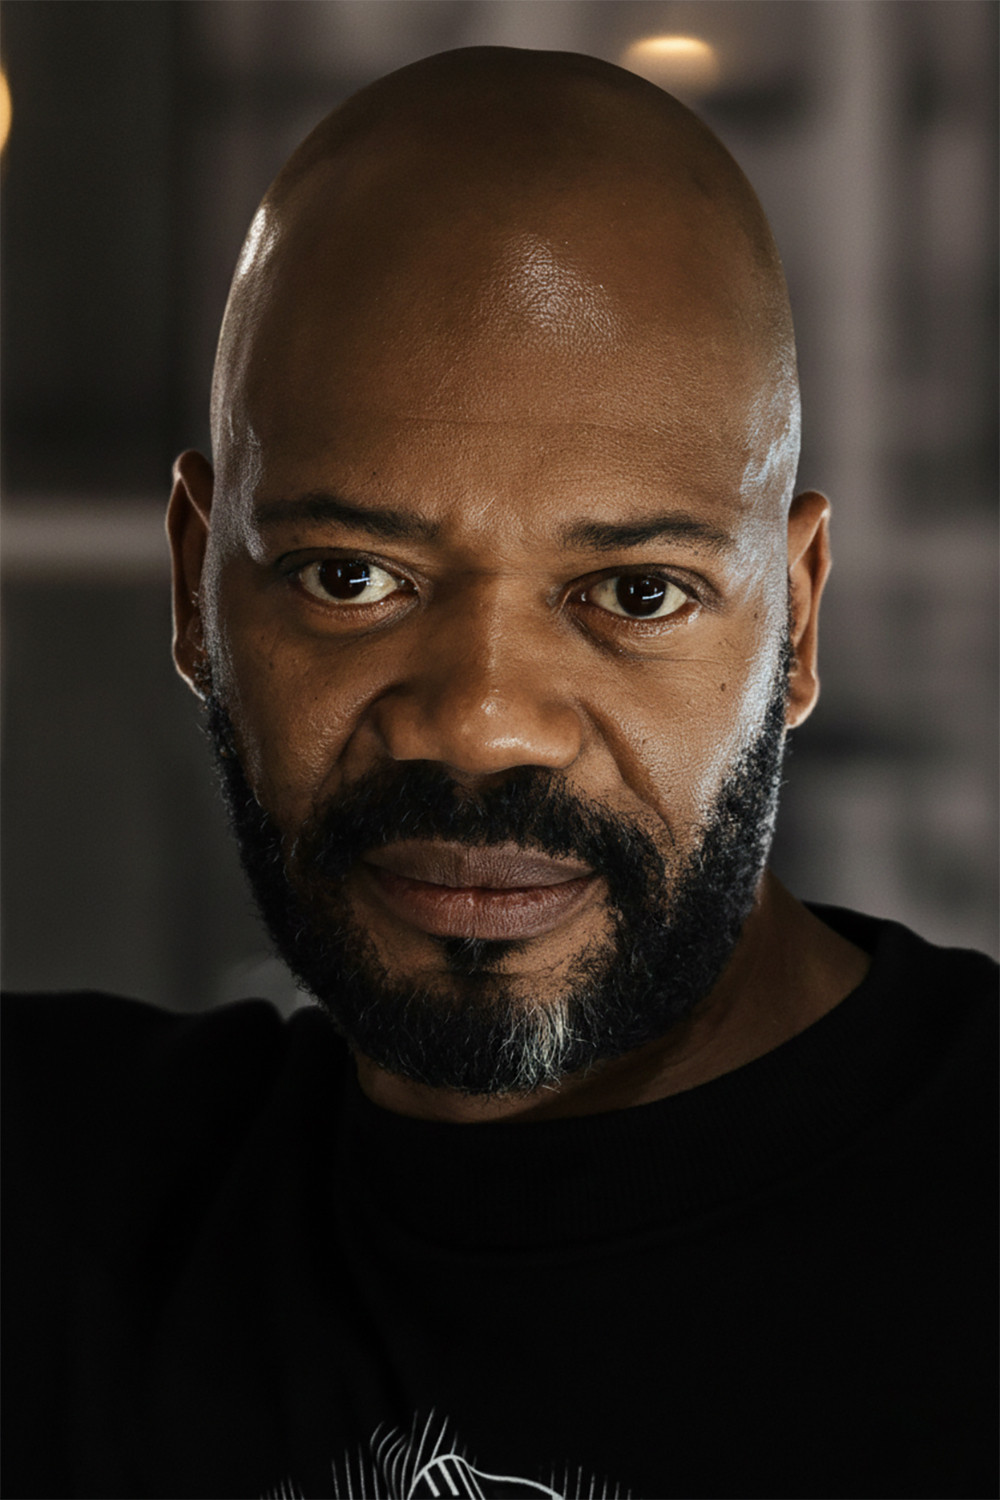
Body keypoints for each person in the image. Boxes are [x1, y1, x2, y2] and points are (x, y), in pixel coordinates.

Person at [3, 46, 995, 1500]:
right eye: (351, 577)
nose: (478, 725)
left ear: (794, 622)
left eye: (636, 594)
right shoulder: (50, 1211)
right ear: (194, 589)